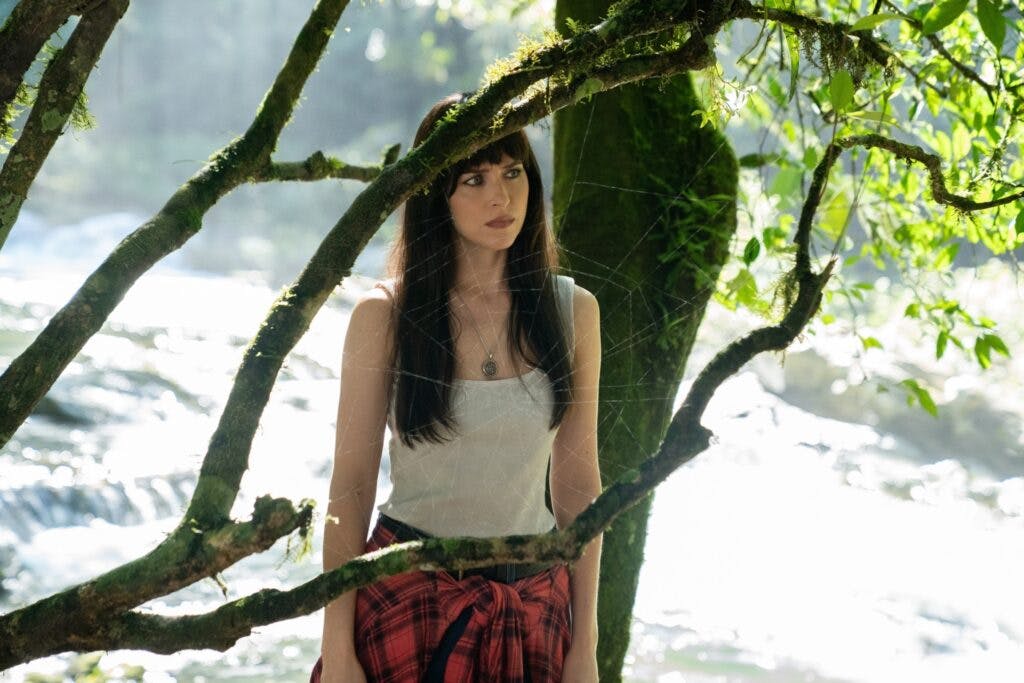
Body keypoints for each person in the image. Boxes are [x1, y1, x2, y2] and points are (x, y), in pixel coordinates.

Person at [311, 92, 603, 683]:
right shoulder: (384, 317)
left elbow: (578, 485)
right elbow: (350, 489)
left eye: (513, 172)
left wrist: (585, 643)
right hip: (408, 595)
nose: (502, 196)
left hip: (534, 603)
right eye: (474, 178)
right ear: (433, 196)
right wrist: (338, 648)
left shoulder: (573, 311)